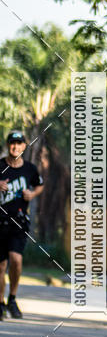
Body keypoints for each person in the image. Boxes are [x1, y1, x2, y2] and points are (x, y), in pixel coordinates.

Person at [0, 130, 44, 319]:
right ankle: (0, 303)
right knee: (1, 265)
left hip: (19, 223)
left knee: (16, 260)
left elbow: (39, 184)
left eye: (19, 143)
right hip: (0, 223)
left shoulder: (30, 169)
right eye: (12, 143)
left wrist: (32, 194)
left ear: (24, 146)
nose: (15, 146)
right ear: (8, 145)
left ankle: (12, 298)